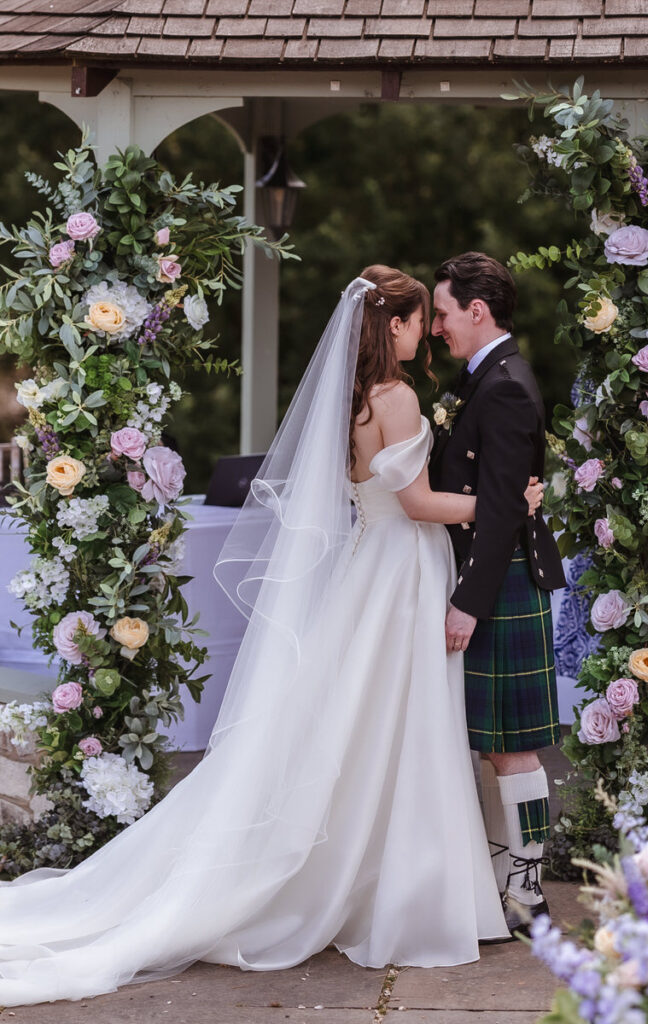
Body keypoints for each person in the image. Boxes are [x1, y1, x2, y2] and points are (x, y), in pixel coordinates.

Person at [0, 267, 544, 1006]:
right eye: (419, 321)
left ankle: (401, 874)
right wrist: (502, 502)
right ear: (394, 327)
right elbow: (416, 503)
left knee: (365, 719)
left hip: (371, 568)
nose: (427, 332)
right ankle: (408, 889)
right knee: (399, 723)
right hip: (403, 568)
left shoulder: (355, 397)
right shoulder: (400, 396)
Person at [428, 252, 566, 939]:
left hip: (500, 579)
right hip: (488, 573)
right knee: (490, 744)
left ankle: (529, 891)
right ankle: (501, 877)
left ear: (476, 310)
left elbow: (507, 508)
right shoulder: (482, 379)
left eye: (444, 313)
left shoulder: (505, 384)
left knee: (514, 748)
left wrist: (468, 602)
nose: (436, 327)